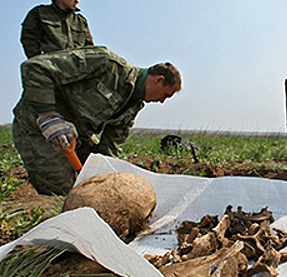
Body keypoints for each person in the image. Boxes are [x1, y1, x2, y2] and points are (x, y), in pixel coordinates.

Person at [12, 46, 182, 195]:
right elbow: (36, 68)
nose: (162, 102)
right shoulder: (105, 64)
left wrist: (103, 176)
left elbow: (110, 146)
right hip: (35, 127)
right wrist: (48, 116)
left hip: (75, 137)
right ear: (159, 79)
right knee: (63, 189)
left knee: (102, 182)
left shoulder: (133, 106)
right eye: (165, 95)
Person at [20, 0, 94, 59]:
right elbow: (29, 39)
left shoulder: (81, 21)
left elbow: (89, 47)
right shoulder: (40, 13)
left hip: (78, 63)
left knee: (105, 55)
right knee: (29, 66)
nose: (77, 1)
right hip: (52, 62)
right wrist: (39, 60)